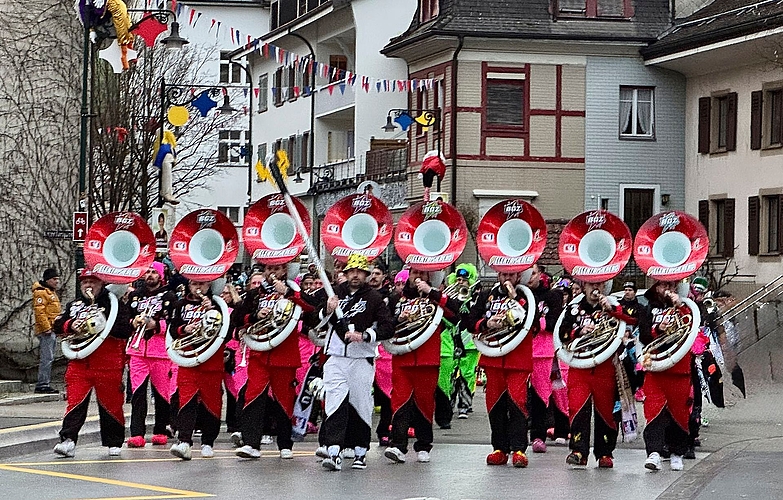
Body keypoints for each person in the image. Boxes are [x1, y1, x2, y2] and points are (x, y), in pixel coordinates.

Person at [314, 254, 394, 471]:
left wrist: (365, 335)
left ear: (366, 274)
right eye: (351, 271)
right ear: (346, 273)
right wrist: (327, 310)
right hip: (336, 357)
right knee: (334, 403)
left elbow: (388, 327)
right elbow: (314, 317)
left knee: (361, 405)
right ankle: (333, 451)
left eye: (360, 271)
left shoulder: (375, 298)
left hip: (361, 359)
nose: (355, 275)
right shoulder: (335, 293)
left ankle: (360, 450)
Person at [232, 263, 311, 461]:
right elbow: (238, 316)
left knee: (284, 400)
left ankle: (285, 444)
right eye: (268, 269)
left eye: (276, 269)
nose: (271, 273)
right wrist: (254, 316)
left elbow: (312, 308)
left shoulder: (294, 290)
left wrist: (290, 293)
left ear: (284, 271)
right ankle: (251, 443)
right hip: (259, 353)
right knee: (253, 396)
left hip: (284, 354)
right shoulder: (255, 294)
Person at [52, 268, 133, 458]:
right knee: (74, 403)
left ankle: (114, 442)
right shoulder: (74, 305)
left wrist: (101, 324)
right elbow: (58, 324)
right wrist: (71, 325)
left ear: (101, 284)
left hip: (108, 363)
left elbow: (124, 329)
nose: (88, 286)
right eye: (84, 282)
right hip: (80, 362)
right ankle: (68, 440)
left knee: (111, 405)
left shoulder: (114, 304)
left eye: (93, 282)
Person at [385, 267, 461, 464]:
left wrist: (432, 293)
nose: (417, 277)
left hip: (428, 359)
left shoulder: (435, 298)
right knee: (399, 402)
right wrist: (397, 320)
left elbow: (457, 314)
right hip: (402, 358)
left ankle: (424, 444)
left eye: (422, 274)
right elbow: (385, 326)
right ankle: (398, 445)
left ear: (429, 277)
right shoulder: (396, 299)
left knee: (425, 404)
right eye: (414, 273)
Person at [465, 268, 535, 468]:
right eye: (504, 275)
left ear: (519, 276)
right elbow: (470, 321)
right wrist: (487, 323)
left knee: (518, 403)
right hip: (493, 358)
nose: (507, 278)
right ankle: (499, 448)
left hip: (517, 360)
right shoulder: (487, 296)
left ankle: (519, 449)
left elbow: (534, 323)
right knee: (494, 405)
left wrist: (515, 298)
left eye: (511, 275)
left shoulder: (527, 297)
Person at [558, 280, 626, 469]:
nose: (595, 288)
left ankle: (605, 452)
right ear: (584, 286)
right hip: (580, 366)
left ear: (605, 287)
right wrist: (580, 330)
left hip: (604, 367)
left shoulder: (613, 307)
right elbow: (562, 333)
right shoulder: (573, 309)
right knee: (578, 408)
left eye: (600, 285)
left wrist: (612, 311)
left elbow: (631, 322)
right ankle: (579, 450)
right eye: (590, 285)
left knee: (606, 411)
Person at [168, 279, 228, 460]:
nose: (198, 288)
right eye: (194, 284)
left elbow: (227, 328)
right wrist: (185, 328)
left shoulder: (218, 304)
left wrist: (212, 312)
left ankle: (208, 442)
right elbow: (172, 329)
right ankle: (184, 441)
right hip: (188, 359)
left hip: (211, 361)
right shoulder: (180, 304)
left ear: (209, 286)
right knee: (186, 401)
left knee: (212, 403)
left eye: (202, 284)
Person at [638, 280, 693, 472]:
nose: (667, 290)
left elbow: (692, 329)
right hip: (655, 366)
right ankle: (653, 452)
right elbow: (643, 336)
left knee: (679, 413)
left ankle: (677, 453)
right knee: (653, 410)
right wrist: (658, 329)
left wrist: (680, 306)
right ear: (655, 287)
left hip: (679, 368)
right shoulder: (648, 309)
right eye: (663, 286)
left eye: (671, 286)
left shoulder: (686, 307)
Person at [126, 262, 178, 448]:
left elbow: (174, 322)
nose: (150, 275)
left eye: (154, 272)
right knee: (138, 393)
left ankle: (160, 430)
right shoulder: (134, 296)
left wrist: (156, 325)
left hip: (160, 352)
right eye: (147, 271)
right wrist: (134, 322)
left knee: (162, 395)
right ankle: (136, 433)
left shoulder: (170, 296)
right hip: (138, 352)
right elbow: (126, 318)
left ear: (161, 275)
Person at [527, 264, 567, 454]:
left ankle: (561, 430)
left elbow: (554, 322)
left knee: (554, 394)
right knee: (533, 397)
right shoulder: (522, 295)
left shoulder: (553, 295)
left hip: (546, 352)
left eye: (533, 273)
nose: (530, 277)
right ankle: (536, 435)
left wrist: (535, 323)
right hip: (525, 350)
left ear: (540, 275)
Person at [32, 267, 61, 394]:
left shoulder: (49, 292)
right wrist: (46, 328)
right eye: (54, 279)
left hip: (52, 329)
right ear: (48, 280)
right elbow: (40, 312)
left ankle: (44, 382)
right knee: (47, 357)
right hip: (47, 331)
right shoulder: (41, 293)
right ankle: (42, 384)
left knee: (49, 357)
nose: (57, 282)